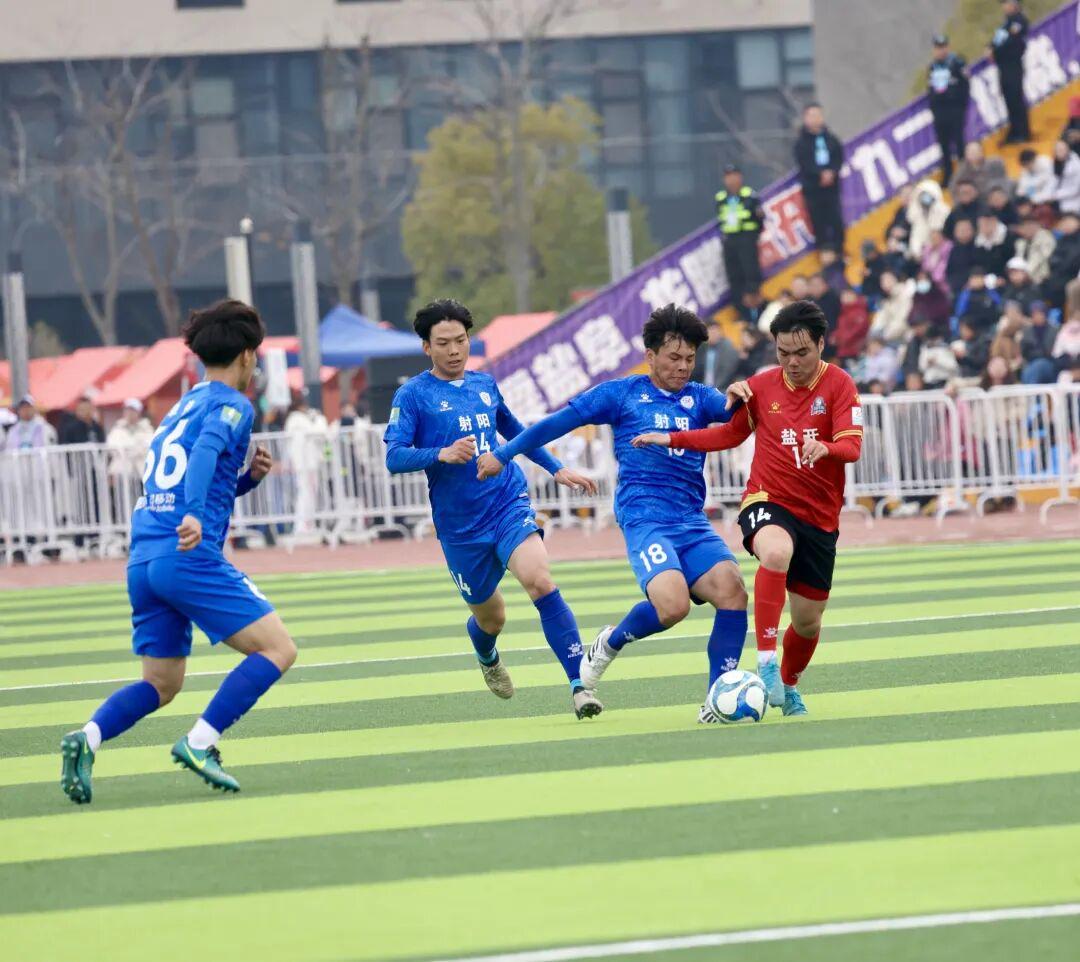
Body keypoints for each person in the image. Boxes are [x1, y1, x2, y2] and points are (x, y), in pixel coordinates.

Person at [59, 300, 297, 804]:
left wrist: (247, 481)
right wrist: (193, 515)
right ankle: (200, 742)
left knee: (161, 683)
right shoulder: (233, 405)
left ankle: (88, 738)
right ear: (248, 355)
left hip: (144, 559)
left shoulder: (180, 408)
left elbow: (193, 478)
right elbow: (206, 454)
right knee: (279, 649)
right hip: (186, 554)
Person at [476, 304, 750, 718]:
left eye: (690, 359)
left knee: (733, 592)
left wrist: (746, 390)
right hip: (645, 519)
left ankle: (717, 698)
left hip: (691, 520)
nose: (682, 367)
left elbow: (740, 412)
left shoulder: (700, 397)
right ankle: (610, 642)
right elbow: (554, 424)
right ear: (650, 356)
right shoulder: (621, 394)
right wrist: (504, 453)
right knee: (673, 606)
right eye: (674, 357)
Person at [631, 300, 862, 717]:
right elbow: (728, 435)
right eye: (783, 353)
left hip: (819, 516)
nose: (791, 362)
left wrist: (826, 448)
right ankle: (766, 660)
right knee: (776, 551)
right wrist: (672, 439)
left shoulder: (841, 385)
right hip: (767, 500)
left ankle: (788, 684)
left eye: (801, 353)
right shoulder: (761, 386)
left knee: (808, 621)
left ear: (821, 345)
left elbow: (852, 446)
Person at [383, 299, 602, 720]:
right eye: (443, 343)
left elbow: (516, 432)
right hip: (460, 527)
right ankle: (487, 656)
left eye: (461, 340)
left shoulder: (485, 384)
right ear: (426, 347)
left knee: (540, 580)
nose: (454, 350)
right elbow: (394, 457)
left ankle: (580, 685)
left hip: (507, 503)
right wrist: (441, 453)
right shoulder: (412, 395)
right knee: (492, 619)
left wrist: (556, 469)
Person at [794, 103, 845, 254]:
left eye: (818, 115)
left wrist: (832, 172)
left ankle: (840, 252)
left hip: (832, 189)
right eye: (812, 115)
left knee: (836, 222)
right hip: (813, 190)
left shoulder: (831, 139)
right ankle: (824, 255)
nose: (816, 119)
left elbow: (839, 157)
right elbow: (804, 163)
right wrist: (819, 174)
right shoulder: (801, 143)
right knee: (819, 224)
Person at [716, 163, 764, 308]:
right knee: (733, 272)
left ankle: (754, 299)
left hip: (746, 237)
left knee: (749, 269)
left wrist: (753, 235)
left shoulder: (749, 195)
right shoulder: (720, 198)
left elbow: (759, 218)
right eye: (728, 177)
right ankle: (739, 304)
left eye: (734, 176)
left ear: (740, 177)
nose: (731, 180)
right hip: (730, 239)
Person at [927, 34, 969, 186]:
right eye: (938, 48)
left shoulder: (957, 62)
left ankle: (965, 174)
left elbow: (965, 85)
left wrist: (962, 106)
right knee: (944, 145)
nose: (941, 51)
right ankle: (948, 175)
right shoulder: (933, 67)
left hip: (955, 109)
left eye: (943, 47)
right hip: (940, 111)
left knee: (959, 142)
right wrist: (934, 108)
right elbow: (930, 89)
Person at [990, 0, 1030, 144]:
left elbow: (1012, 40)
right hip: (1003, 67)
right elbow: (996, 41)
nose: (1005, 6)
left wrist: (996, 50)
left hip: (1013, 65)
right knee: (1009, 99)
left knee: (1016, 98)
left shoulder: (1019, 20)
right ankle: (1014, 131)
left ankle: (1023, 132)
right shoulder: (1004, 25)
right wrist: (990, 48)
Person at [106, 398, 154, 482]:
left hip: (142, 472)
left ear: (139, 412)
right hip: (121, 472)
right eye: (127, 410)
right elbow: (112, 446)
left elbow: (148, 446)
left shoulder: (147, 428)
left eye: (133, 410)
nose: (130, 413)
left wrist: (130, 450)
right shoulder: (117, 428)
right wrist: (130, 449)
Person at [1041, 210, 1080, 309]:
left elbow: (1073, 260)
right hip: (1059, 274)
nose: (1066, 224)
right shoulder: (1062, 239)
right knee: (1043, 283)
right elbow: (1052, 259)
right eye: (1064, 221)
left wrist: (1061, 265)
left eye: (1069, 221)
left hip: (1073, 275)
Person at [905, 179, 951, 259]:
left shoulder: (944, 211)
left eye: (927, 194)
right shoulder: (918, 215)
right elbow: (916, 237)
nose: (924, 198)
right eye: (922, 195)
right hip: (923, 255)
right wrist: (917, 252)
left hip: (942, 253)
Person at [869, 270, 914, 345]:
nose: (884, 283)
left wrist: (885, 336)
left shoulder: (905, 294)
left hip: (903, 338)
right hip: (888, 338)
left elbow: (902, 320)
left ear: (895, 279)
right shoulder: (887, 299)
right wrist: (874, 332)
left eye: (888, 279)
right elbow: (881, 318)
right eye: (882, 280)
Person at [953, 266, 1002, 334]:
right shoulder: (965, 295)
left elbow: (1000, 307)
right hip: (971, 328)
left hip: (990, 327)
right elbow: (959, 313)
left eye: (978, 278)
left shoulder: (991, 293)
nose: (976, 281)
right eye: (974, 278)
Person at [828, 288, 870, 365]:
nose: (845, 298)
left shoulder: (859, 311)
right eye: (843, 296)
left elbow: (858, 330)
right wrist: (835, 336)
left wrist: (842, 339)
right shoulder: (844, 312)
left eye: (848, 295)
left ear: (854, 296)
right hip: (843, 350)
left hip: (854, 350)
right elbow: (841, 328)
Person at [1019, 300, 1058, 383]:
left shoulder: (1054, 331)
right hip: (1031, 362)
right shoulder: (1027, 331)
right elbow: (1024, 351)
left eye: (1040, 313)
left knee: (1039, 366)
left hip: (1049, 363)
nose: (1037, 316)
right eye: (1035, 314)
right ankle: (1030, 389)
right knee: (1028, 371)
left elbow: (1054, 352)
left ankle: (1031, 390)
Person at [1013, 215, 1056, 285]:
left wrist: (1025, 273)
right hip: (1024, 278)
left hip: (1042, 277)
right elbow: (1018, 260)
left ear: (1037, 226)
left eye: (1030, 226)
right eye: (1025, 227)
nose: (1028, 229)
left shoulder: (1045, 237)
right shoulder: (1021, 242)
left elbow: (1039, 258)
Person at [973, 209, 1014, 277]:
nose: (985, 227)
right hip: (984, 278)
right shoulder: (976, 242)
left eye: (987, 223)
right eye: (982, 224)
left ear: (995, 222)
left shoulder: (1008, 238)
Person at [946, 218, 978, 297]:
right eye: (961, 230)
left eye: (966, 229)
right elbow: (949, 271)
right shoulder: (952, 250)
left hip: (975, 287)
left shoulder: (978, 247)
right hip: (956, 288)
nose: (964, 232)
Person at [1051, 138, 1080, 215]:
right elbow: (1052, 182)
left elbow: (1076, 189)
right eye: (1056, 150)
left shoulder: (1076, 165)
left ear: (1068, 149)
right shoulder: (1055, 163)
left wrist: (1055, 195)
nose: (1058, 152)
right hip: (1057, 199)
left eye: (1061, 149)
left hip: (1074, 201)